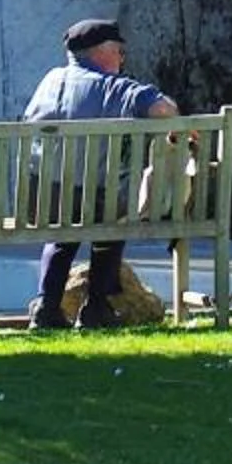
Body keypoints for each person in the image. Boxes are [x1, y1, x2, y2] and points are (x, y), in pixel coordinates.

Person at [21, 17, 178, 329]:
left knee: (64, 224)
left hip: (45, 202)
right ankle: (96, 307)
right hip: (95, 203)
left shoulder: (49, 81)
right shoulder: (115, 87)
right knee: (112, 218)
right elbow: (164, 110)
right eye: (119, 52)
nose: (122, 59)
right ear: (102, 52)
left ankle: (46, 306)